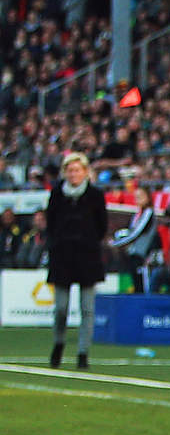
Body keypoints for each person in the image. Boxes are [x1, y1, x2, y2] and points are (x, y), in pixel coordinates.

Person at [44, 152, 109, 369]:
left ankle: (83, 353)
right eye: (70, 170)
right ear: (65, 173)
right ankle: (58, 343)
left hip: (87, 257)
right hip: (62, 256)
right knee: (60, 308)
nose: (74, 174)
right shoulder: (56, 195)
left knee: (87, 309)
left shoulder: (95, 195)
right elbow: (50, 224)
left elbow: (102, 226)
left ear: (85, 172)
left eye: (78, 170)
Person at [108, 186, 160, 293]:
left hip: (142, 255)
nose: (138, 199)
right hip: (133, 253)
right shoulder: (138, 214)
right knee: (135, 284)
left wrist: (116, 243)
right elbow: (130, 231)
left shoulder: (148, 213)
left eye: (141, 196)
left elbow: (136, 233)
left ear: (148, 197)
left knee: (142, 285)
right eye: (136, 196)